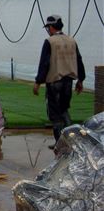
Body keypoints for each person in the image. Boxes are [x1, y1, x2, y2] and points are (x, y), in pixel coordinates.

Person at [33, 14, 85, 149]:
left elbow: (44, 63)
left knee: (55, 114)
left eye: (48, 27)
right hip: (68, 82)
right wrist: (81, 80)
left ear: (51, 27)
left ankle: (60, 144)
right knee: (64, 109)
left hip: (55, 81)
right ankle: (72, 140)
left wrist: (38, 82)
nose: (48, 30)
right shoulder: (71, 41)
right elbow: (79, 61)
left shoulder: (50, 42)